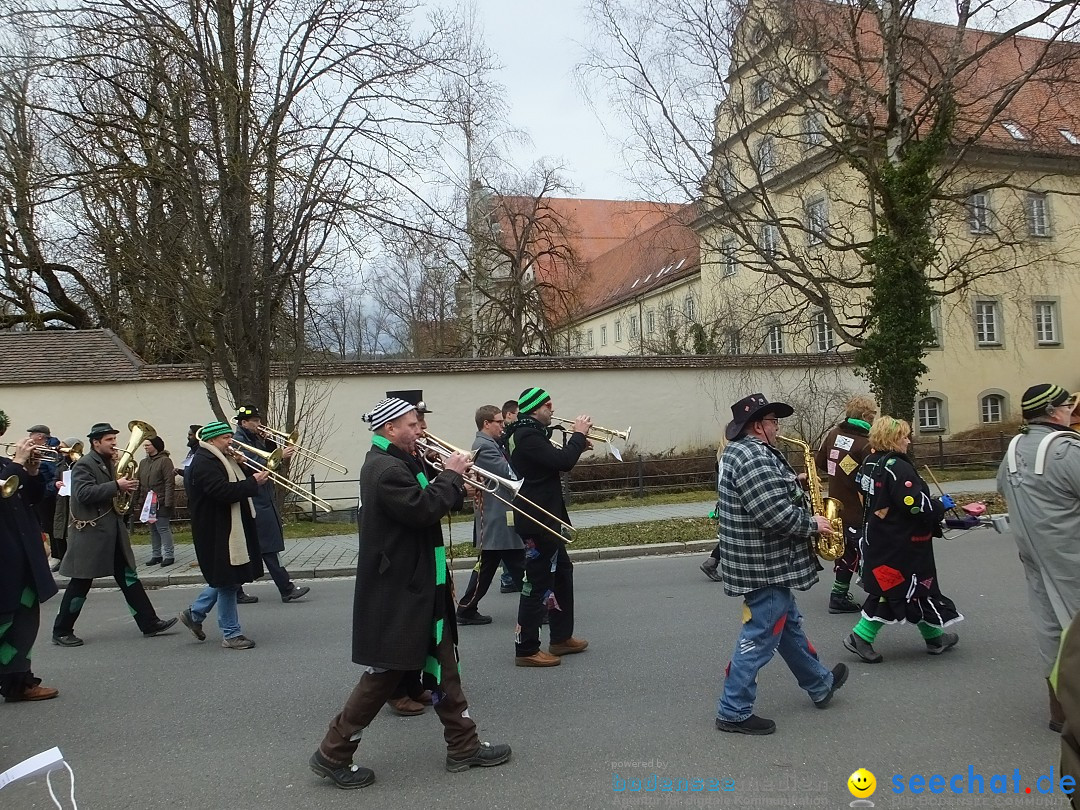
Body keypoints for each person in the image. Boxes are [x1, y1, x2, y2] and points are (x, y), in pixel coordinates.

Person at [309, 397, 511, 789]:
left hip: (419, 584)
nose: (421, 430)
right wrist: (452, 476)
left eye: (419, 424)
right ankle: (332, 752)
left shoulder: (402, 461)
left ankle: (463, 745)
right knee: (383, 675)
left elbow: (431, 500)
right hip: (400, 591)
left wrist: (458, 485)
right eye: (413, 424)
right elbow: (421, 508)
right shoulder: (384, 468)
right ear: (389, 429)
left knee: (443, 666)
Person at [714, 393, 847, 736]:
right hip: (765, 564)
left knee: (787, 627)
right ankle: (733, 710)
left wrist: (794, 482)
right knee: (759, 637)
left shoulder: (746, 452)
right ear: (758, 425)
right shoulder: (753, 457)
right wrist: (812, 524)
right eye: (773, 421)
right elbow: (771, 514)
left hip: (763, 561)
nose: (777, 427)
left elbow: (766, 494)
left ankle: (819, 683)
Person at [843, 416, 961, 665]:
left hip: (879, 536)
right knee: (892, 590)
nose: (908, 440)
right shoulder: (897, 466)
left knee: (917, 589)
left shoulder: (871, 461)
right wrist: (940, 505)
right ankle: (860, 636)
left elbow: (861, 488)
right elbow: (914, 505)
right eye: (905, 436)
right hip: (901, 543)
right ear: (892, 439)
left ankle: (935, 637)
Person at [997, 383, 1080, 733]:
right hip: (1070, 554)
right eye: (1068, 407)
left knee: (1050, 629)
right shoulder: (1066, 450)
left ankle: (1059, 709)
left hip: (1033, 555)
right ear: (1052, 412)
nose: (1071, 413)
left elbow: (1002, 488)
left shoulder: (1014, 449)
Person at [52, 423, 177, 646]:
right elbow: (83, 494)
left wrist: (124, 488)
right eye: (109, 440)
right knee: (80, 584)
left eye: (114, 439)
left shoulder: (109, 463)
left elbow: (113, 496)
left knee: (129, 578)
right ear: (95, 442)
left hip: (112, 534)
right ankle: (61, 630)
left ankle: (149, 622)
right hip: (91, 536)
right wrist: (116, 485)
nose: (114, 443)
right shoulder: (84, 464)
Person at [505, 387, 590, 667]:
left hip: (547, 519)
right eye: (548, 406)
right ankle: (526, 649)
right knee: (537, 583)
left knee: (563, 573)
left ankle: (560, 638)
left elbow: (551, 461)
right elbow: (562, 462)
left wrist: (577, 444)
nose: (552, 410)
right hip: (537, 520)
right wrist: (578, 434)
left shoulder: (530, 434)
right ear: (535, 408)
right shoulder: (526, 435)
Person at [179, 421, 269, 650]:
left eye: (230, 436)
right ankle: (231, 634)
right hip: (217, 530)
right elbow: (222, 492)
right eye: (225, 438)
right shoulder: (204, 462)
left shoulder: (222, 458)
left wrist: (245, 468)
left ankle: (195, 614)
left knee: (227, 577)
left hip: (229, 526)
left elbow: (237, 482)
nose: (231, 441)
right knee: (227, 581)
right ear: (211, 441)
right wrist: (253, 482)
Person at [0, 415, 59, 703]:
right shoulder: (8, 466)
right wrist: (17, 464)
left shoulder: (3, 464)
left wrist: (33, 472)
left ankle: (19, 683)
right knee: (3, 621)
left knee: (24, 624)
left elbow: (31, 498)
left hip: (20, 557)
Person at [455, 405, 525, 626]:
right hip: (498, 514)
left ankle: (466, 608)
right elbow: (507, 472)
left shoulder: (490, 444)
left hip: (498, 514)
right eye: (499, 422)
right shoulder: (484, 446)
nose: (503, 426)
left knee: (490, 566)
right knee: (517, 563)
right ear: (486, 423)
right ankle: (538, 607)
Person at [233, 406, 310, 605]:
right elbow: (258, 465)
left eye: (259, 420)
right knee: (266, 547)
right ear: (243, 423)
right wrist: (279, 455)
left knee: (259, 547)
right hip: (254, 499)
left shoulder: (255, 439)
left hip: (263, 498)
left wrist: (270, 442)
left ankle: (236, 589)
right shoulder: (239, 441)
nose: (259, 424)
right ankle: (286, 589)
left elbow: (272, 462)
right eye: (255, 421)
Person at [815, 395, 877, 613]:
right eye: (872, 416)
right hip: (857, 508)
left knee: (845, 551)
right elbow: (872, 478)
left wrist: (838, 472)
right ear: (863, 416)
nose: (873, 420)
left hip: (836, 504)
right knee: (866, 551)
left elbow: (820, 462)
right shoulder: (866, 444)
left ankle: (839, 594)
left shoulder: (834, 433)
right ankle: (880, 596)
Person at [132, 436, 176, 566]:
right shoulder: (143, 463)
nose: (145, 447)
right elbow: (139, 482)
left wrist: (168, 502)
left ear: (156, 446)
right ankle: (156, 554)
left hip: (160, 501)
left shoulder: (165, 461)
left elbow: (169, 482)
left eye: (148, 445)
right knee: (153, 529)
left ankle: (169, 555)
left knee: (162, 527)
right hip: (147, 501)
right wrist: (136, 499)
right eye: (144, 445)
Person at [499, 399, 522, 594]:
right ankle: (508, 578)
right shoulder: (506, 435)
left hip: (507, 495)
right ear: (509, 415)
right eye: (517, 414)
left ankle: (509, 578)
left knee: (507, 544)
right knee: (508, 542)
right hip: (503, 498)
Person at [49, 436, 80, 573]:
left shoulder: (79, 461)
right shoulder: (60, 463)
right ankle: (63, 559)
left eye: (64, 446)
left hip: (75, 500)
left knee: (74, 531)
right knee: (59, 531)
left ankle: (76, 560)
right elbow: (54, 479)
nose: (60, 448)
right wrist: (56, 483)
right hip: (62, 500)